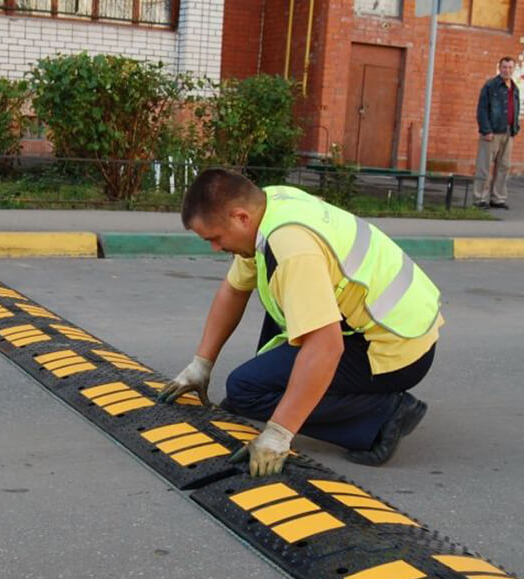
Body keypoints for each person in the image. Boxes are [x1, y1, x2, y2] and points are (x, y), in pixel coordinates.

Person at [159, 169, 443, 478]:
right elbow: (233, 290)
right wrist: (201, 364)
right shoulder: (269, 207)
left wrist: (278, 434)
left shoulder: (291, 246)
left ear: (240, 217)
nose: (214, 247)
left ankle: (384, 415)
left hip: (394, 347)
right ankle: (320, 400)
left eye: (215, 238)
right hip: (392, 323)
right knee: (261, 375)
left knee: (245, 391)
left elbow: (326, 346)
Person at [473, 56, 520, 210]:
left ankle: (497, 198)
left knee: (504, 166)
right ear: (499, 68)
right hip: (492, 132)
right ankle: (480, 198)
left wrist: (515, 127)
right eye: (504, 67)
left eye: (510, 67)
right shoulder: (490, 86)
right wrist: (486, 130)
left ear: (514, 69)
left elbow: (515, 108)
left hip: (508, 131)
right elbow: (482, 109)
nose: (507, 70)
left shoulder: (514, 88)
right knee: (484, 166)